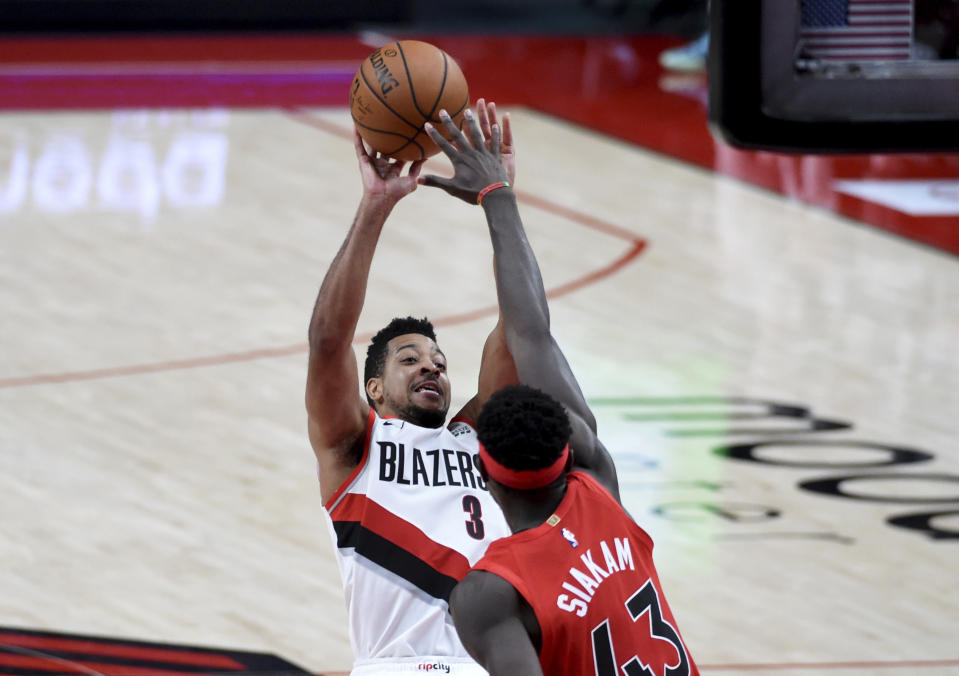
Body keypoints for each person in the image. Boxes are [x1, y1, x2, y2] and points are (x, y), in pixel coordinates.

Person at [419, 110, 700, 676]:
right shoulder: (598, 483)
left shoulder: (490, 595)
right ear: (566, 447)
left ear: (484, 469)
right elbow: (532, 331)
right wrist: (497, 192)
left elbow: (528, 333)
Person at [306, 100, 518, 675]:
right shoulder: (356, 446)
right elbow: (328, 344)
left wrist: (501, 200)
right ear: (373, 389)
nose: (432, 367)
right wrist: (375, 206)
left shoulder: (477, 437)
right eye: (409, 359)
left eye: (439, 361)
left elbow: (519, 329)